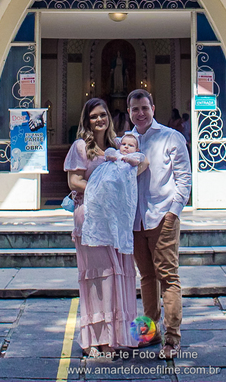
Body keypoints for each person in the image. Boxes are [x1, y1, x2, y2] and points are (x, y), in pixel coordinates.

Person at [64, 98, 141, 357]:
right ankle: (97, 340)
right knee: (99, 277)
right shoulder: (81, 147)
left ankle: (117, 337)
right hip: (91, 219)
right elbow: (74, 181)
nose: (100, 120)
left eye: (103, 115)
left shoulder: (118, 145)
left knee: (118, 275)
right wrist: (101, 191)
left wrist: (121, 187)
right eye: (94, 116)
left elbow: (141, 164)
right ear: (86, 120)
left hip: (115, 220)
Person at [127, 88, 192, 358]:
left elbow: (184, 179)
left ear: (153, 108)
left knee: (168, 277)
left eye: (144, 108)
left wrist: (173, 212)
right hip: (136, 221)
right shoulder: (125, 141)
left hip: (162, 216)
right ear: (129, 111)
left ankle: (172, 338)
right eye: (135, 109)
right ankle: (149, 333)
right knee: (146, 277)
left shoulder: (171, 137)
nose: (140, 113)